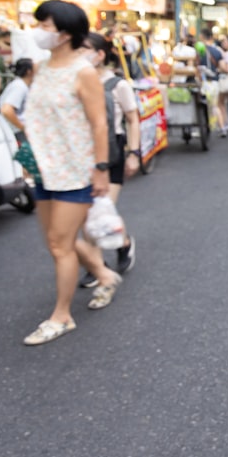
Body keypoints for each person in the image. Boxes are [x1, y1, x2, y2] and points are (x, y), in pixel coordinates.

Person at [20, 0, 121, 346]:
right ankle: (104, 274)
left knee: (59, 244)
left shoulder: (84, 71)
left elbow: (99, 124)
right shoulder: (41, 66)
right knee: (56, 239)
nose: (38, 31)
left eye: (45, 26)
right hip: (43, 169)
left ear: (65, 34)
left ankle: (62, 316)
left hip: (76, 171)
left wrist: (101, 170)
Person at [76, 32, 139, 286]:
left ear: (100, 54)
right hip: (81, 153)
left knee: (100, 211)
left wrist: (134, 154)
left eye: (84, 49)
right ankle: (102, 259)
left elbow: (133, 119)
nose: (80, 54)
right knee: (87, 213)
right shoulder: (74, 81)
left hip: (112, 153)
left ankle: (107, 256)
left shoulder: (118, 85)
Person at [0, 58, 35, 140]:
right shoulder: (19, 87)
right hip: (16, 132)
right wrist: (22, 127)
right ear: (29, 71)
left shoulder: (22, 85)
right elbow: (7, 110)